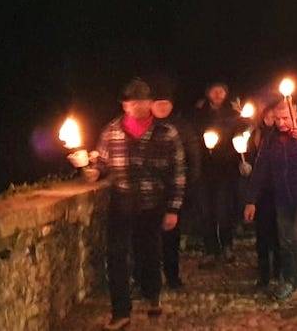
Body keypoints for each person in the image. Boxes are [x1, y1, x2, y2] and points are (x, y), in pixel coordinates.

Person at [79, 78, 186, 331]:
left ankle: (152, 294)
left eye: (141, 101)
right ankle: (121, 312)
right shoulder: (111, 131)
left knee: (148, 252)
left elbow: (178, 172)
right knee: (116, 255)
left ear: (150, 103)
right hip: (122, 200)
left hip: (152, 203)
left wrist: (173, 208)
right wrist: (91, 169)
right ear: (124, 105)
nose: (136, 106)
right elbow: (101, 164)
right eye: (131, 101)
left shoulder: (166, 133)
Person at [244, 98, 297, 301]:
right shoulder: (271, 139)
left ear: (295, 113)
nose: (281, 123)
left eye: (285, 118)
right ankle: (287, 280)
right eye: (277, 118)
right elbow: (261, 169)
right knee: (286, 241)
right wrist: (251, 199)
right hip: (284, 197)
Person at [149, 76, 201, 290]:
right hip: (148, 191)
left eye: (165, 103)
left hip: (174, 191)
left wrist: (189, 186)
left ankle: (172, 276)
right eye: (158, 102)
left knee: (171, 237)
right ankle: (148, 279)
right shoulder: (144, 125)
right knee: (148, 239)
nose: (162, 107)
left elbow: (194, 156)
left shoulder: (181, 126)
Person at [193, 80, 241, 267]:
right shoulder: (199, 113)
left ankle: (227, 245)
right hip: (204, 169)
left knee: (224, 210)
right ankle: (210, 249)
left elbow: (241, 135)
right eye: (214, 91)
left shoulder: (234, 113)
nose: (218, 94)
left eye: (221, 91)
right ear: (208, 93)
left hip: (226, 168)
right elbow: (193, 136)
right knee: (206, 211)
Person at [247, 102, 281, 288]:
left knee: (279, 234)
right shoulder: (259, 136)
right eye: (269, 116)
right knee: (263, 235)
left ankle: (279, 269)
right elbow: (258, 167)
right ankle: (264, 274)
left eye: (275, 117)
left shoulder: (286, 136)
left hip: (282, 192)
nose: (272, 120)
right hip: (264, 192)